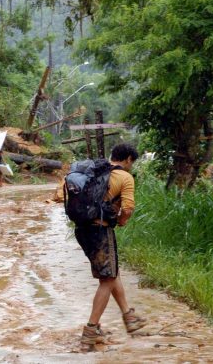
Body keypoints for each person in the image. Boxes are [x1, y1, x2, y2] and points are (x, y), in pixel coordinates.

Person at [75, 143, 147, 346]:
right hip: (100, 231)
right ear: (128, 160)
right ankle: (91, 329)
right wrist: (122, 221)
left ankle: (129, 317)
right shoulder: (124, 177)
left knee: (112, 273)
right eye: (132, 163)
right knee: (107, 279)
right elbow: (128, 207)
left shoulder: (94, 171)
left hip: (82, 230)